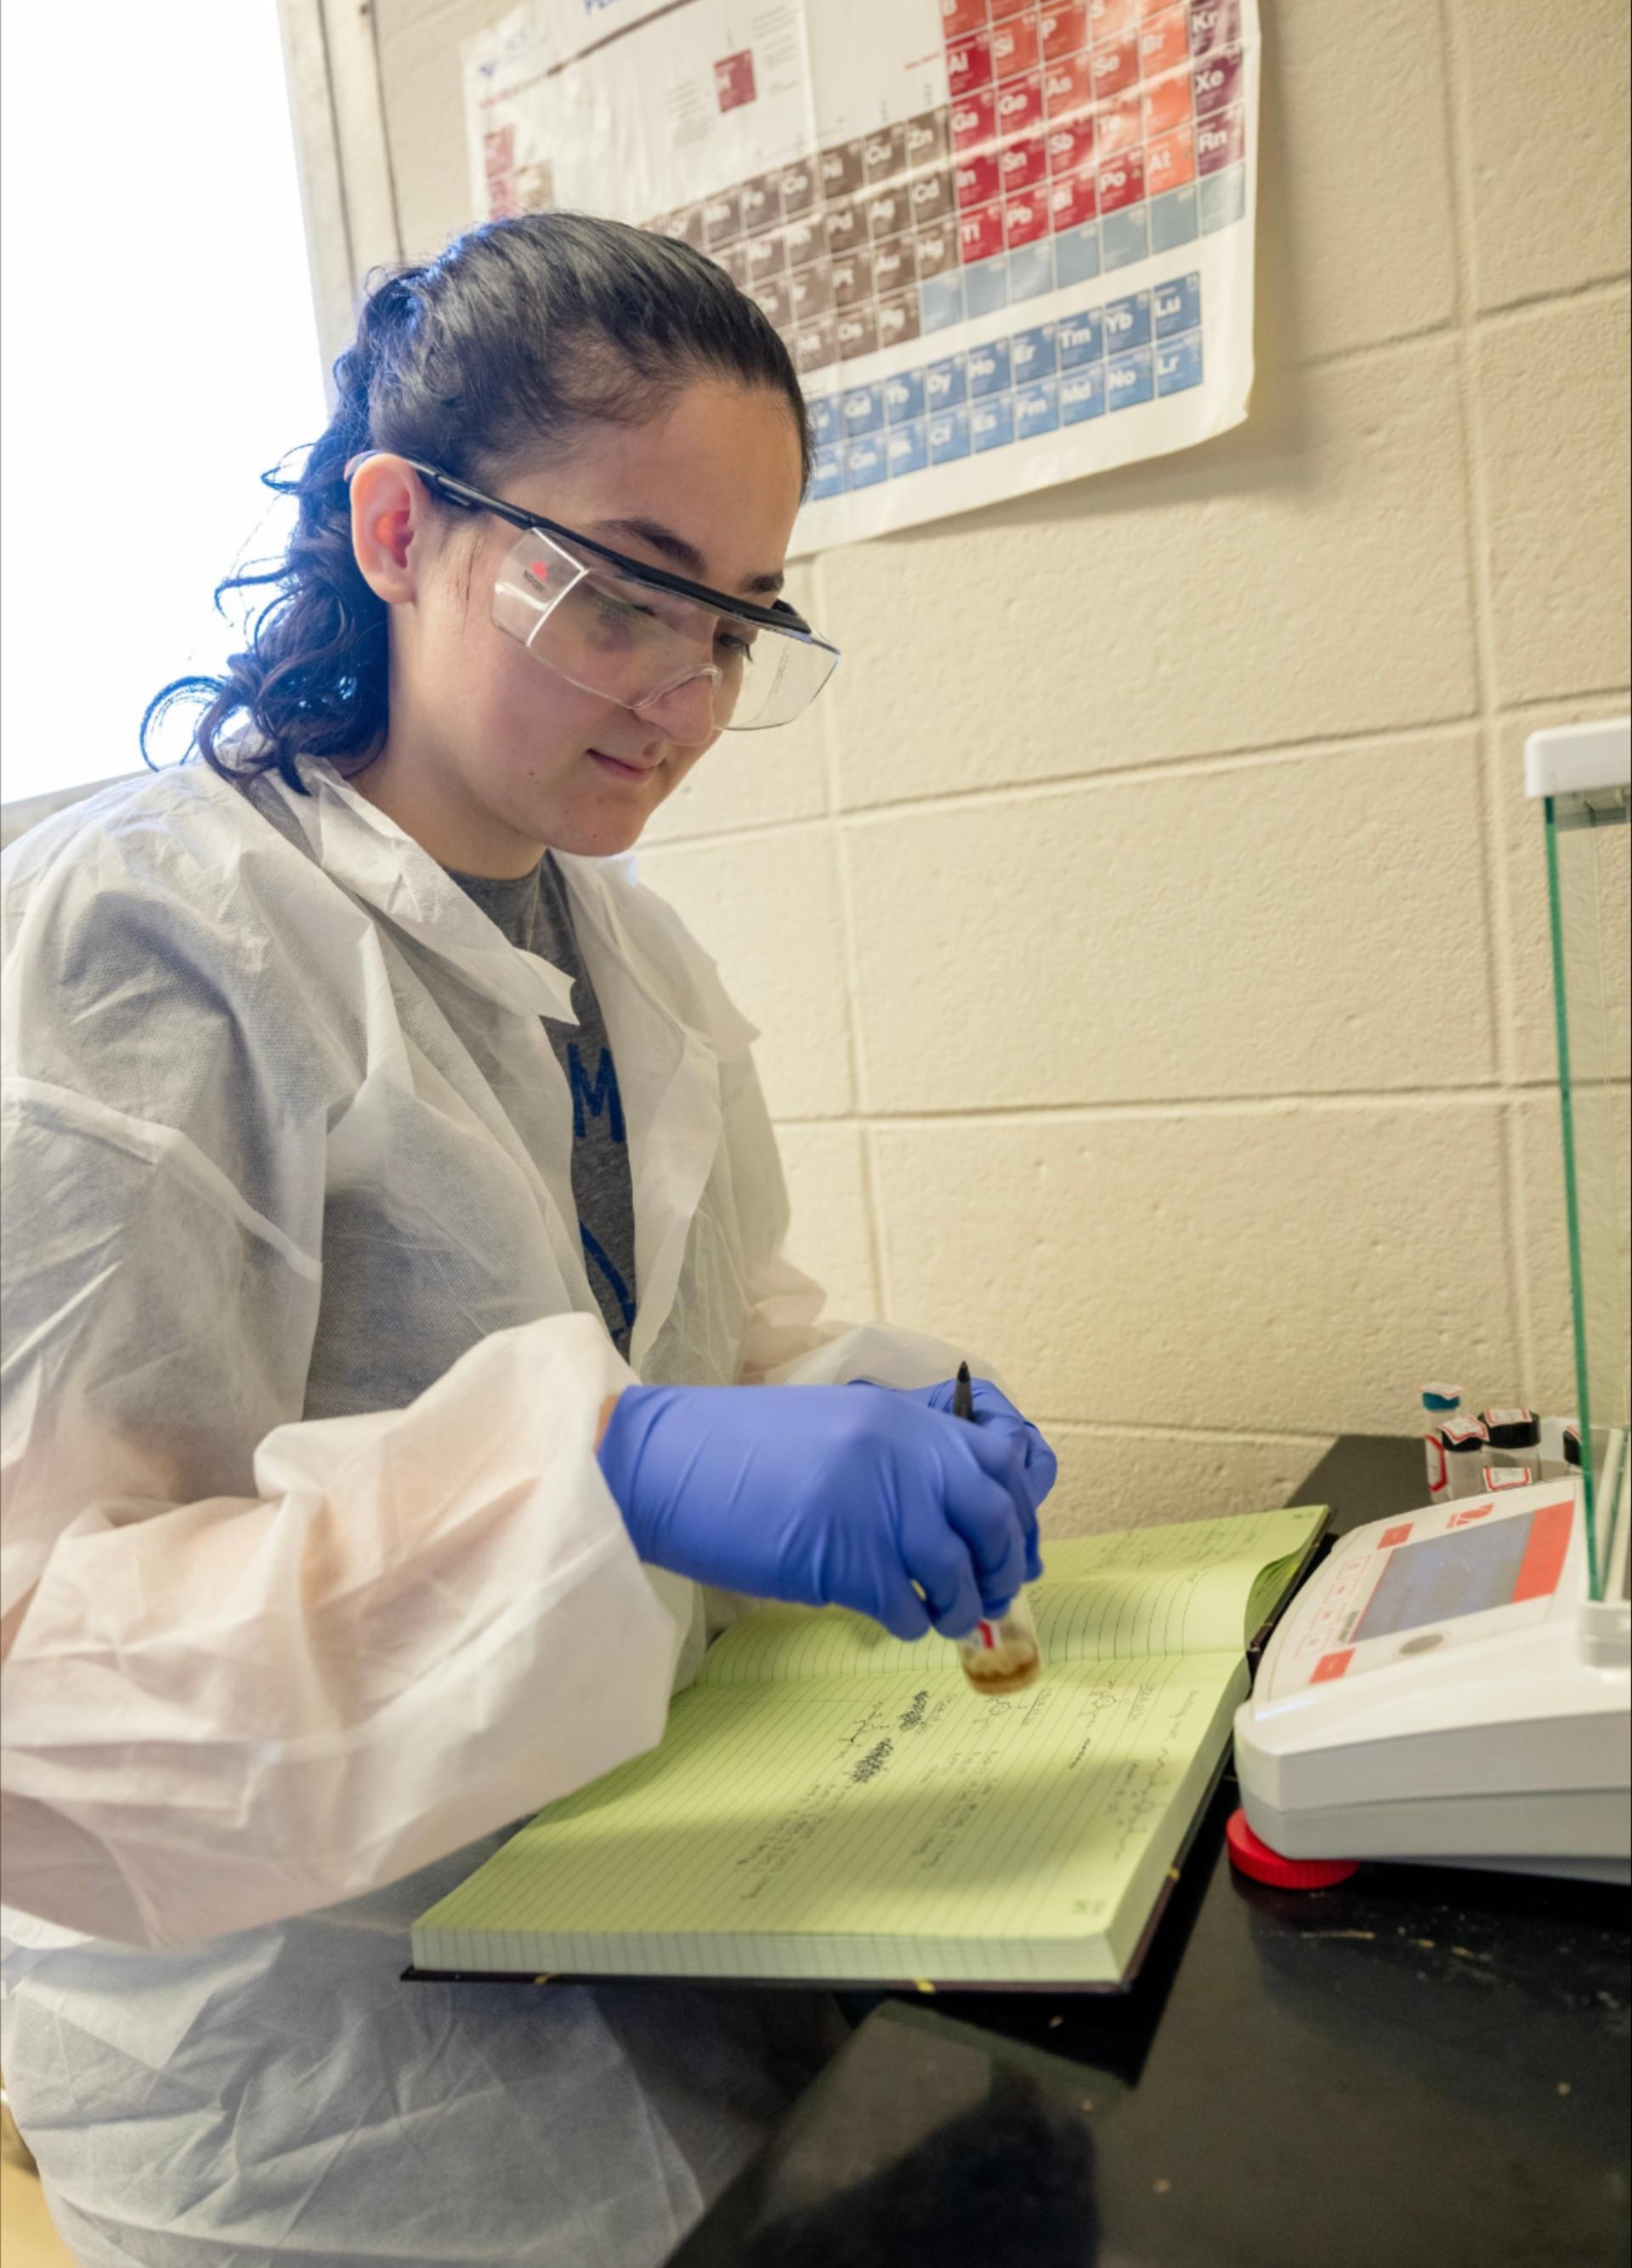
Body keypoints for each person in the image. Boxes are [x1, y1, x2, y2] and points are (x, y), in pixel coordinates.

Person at [0, 212, 1057, 2266]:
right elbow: (45, 1660)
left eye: (740, 625)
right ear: (398, 528)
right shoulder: (134, 952)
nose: (682, 693)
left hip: (672, 1963)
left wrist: (867, 1407)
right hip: (319, 2105)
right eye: (623, 592)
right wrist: (617, 1478)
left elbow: (714, 1342)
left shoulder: (629, 960)